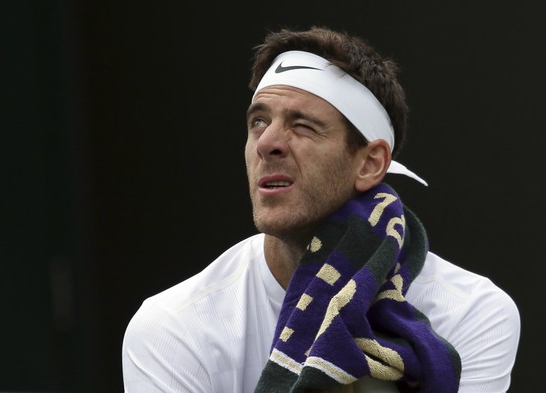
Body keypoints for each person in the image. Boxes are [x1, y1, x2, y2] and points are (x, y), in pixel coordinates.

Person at [121, 26, 520, 393]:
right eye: (258, 122)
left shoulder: (474, 312)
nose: (267, 143)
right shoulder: (172, 327)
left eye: (303, 126)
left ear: (369, 163)